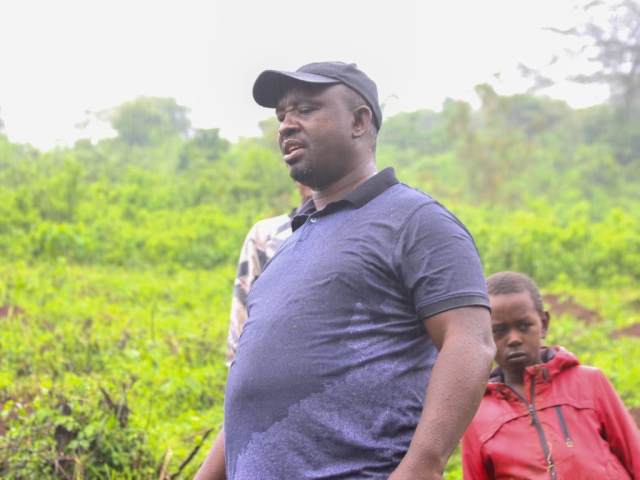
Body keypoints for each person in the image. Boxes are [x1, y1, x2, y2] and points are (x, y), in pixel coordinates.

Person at [196, 61, 495, 480]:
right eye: (282, 116)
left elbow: (471, 341)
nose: (286, 126)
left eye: (305, 109)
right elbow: (256, 394)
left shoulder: (415, 220)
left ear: (358, 121)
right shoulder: (287, 247)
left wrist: (422, 466)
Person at [461, 271, 640, 479]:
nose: (514, 339)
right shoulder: (477, 415)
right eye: (499, 330)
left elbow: (634, 456)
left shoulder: (590, 382)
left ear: (543, 324)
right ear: (484, 335)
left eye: (524, 326)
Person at [226, 181, 312, 366]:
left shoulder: (354, 229)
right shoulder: (267, 234)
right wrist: (236, 367)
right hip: (270, 365)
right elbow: (242, 304)